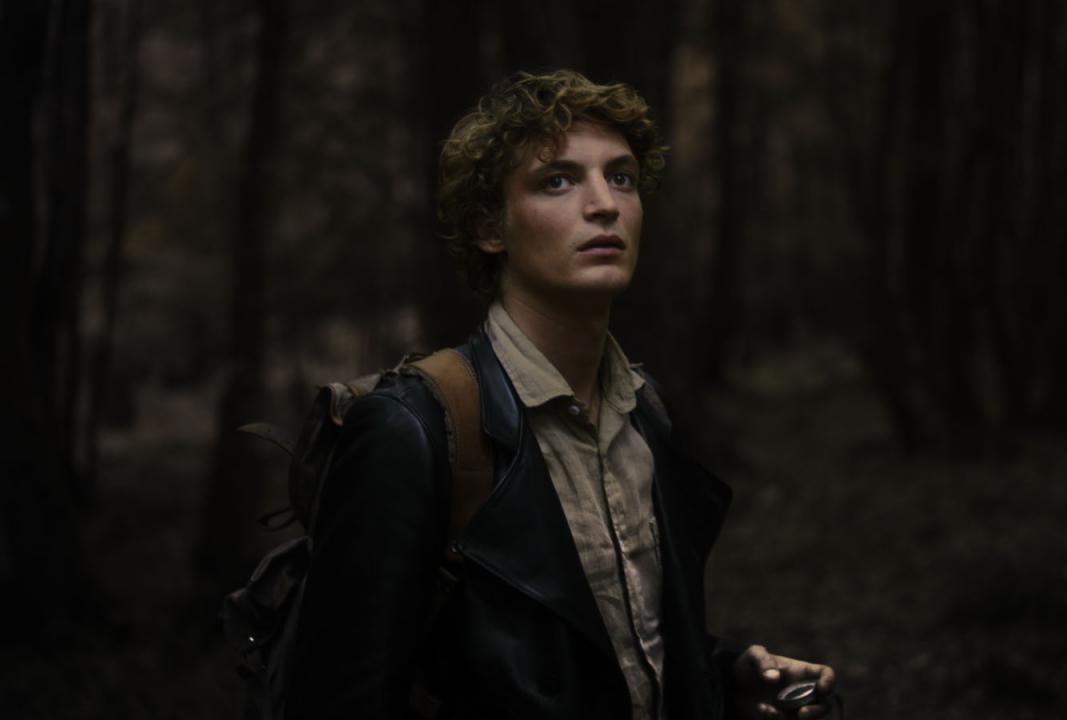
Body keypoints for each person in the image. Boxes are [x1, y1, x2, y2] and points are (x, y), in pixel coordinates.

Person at [286, 69, 837, 720]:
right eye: (558, 181)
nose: (605, 204)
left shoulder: (644, 409)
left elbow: (615, 647)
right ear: (490, 227)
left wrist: (720, 675)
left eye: (621, 177)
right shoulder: (413, 430)